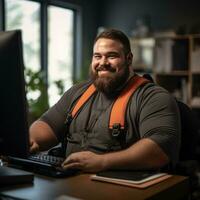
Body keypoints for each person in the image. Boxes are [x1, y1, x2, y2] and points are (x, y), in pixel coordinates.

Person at [29, 29, 181, 173]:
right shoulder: (78, 92)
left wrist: (102, 162)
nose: (103, 62)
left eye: (111, 56)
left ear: (129, 59)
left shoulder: (152, 97)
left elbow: (160, 150)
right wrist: (31, 140)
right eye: (97, 56)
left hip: (121, 188)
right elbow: (47, 124)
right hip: (69, 179)